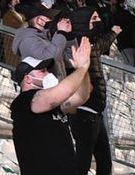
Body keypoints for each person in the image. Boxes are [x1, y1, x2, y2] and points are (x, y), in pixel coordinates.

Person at [10, 37, 93, 175]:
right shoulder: (24, 101)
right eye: (42, 71)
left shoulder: (51, 103)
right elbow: (60, 93)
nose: (48, 73)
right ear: (28, 78)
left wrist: (84, 70)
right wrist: (81, 68)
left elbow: (81, 96)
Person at [69, 8, 120, 175]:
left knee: (105, 162)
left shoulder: (93, 43)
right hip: (83, 113)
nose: (98, 22)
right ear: (84, 21)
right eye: (94, 18)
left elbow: (103, 43)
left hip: (96, 113)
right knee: (82, 162)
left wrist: (113, 33)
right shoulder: (74, 44)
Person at [13, 2, 72, 77]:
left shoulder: (45, 36)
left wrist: (68, 35)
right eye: (49, 17)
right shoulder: (28, 39)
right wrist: (61, 33)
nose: (52, 19)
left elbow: (68, 61)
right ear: (39, 21)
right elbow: (49, 58)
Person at [1, 0, 26, 67]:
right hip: (12, 43)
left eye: (18, 1)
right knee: (13, 63)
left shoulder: (22, 15)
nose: (18, 3)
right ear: (9, 5)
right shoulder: (7, 15)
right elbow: (14, 26)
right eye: (15, 1)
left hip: (21, 44)